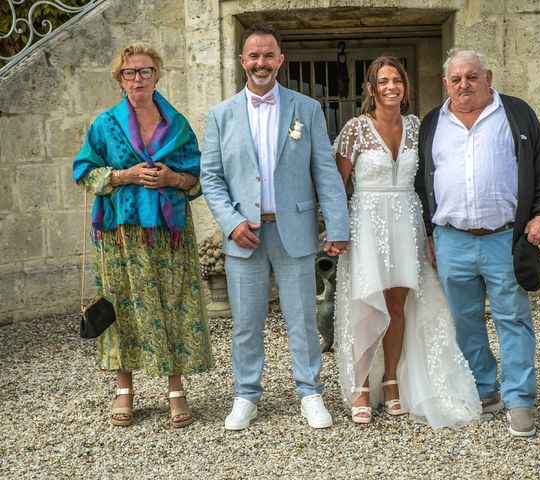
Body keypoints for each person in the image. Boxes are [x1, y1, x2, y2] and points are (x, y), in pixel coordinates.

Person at [200, 23, 350, 430]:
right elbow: (210, 176)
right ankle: (246, 394)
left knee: (302, 318)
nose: (261, 63)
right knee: (246, 322)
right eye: (254, 56)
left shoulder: (307, 109)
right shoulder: (220, 114)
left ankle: (310, 392)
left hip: (294, 230)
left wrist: (338, 225)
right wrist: (230, 223)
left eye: (269, 55)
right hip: (243, 233)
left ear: (279, 60)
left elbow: (324, 170)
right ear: (242, 61)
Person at [416, 50, 540, 437]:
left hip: (504, 237)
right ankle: (484, 389)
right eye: (455, 79)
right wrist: (430, 235)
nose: (463, 85)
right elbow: (423, 184)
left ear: (488, 76)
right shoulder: (433, 122)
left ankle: (519, 399)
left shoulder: (516, 114)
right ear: (445, 83)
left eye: (472, 77)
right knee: (465, 323)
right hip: (452, 240)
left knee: (512, 319)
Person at [333, 56, 481, 428]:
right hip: (366, 219)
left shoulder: (418, 127)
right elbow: (337, 185)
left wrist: (433, 230)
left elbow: (430, 179)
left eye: (396, 80)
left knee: (398, 302)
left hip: (407, 219)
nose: (390, 87)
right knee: (367, 301)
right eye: (382, 81)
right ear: (370, 89)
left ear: (405, 86)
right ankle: (362, 385)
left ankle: (392, 379)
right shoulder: (355, 129)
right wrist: (336, 230)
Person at [73, 43, 212, 428]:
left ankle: (175, 388)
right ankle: (124, 390)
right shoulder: (105, 124)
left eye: (146, 71)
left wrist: (172, 178)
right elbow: (84, 172)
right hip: (121, 235)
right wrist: (124, 175)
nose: (138, 78)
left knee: (174, 303)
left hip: (170, 233)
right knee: (123, 308)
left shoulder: (177, 125)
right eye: (130, 72)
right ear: (120, 78)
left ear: (157, 75)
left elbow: (197, 178)